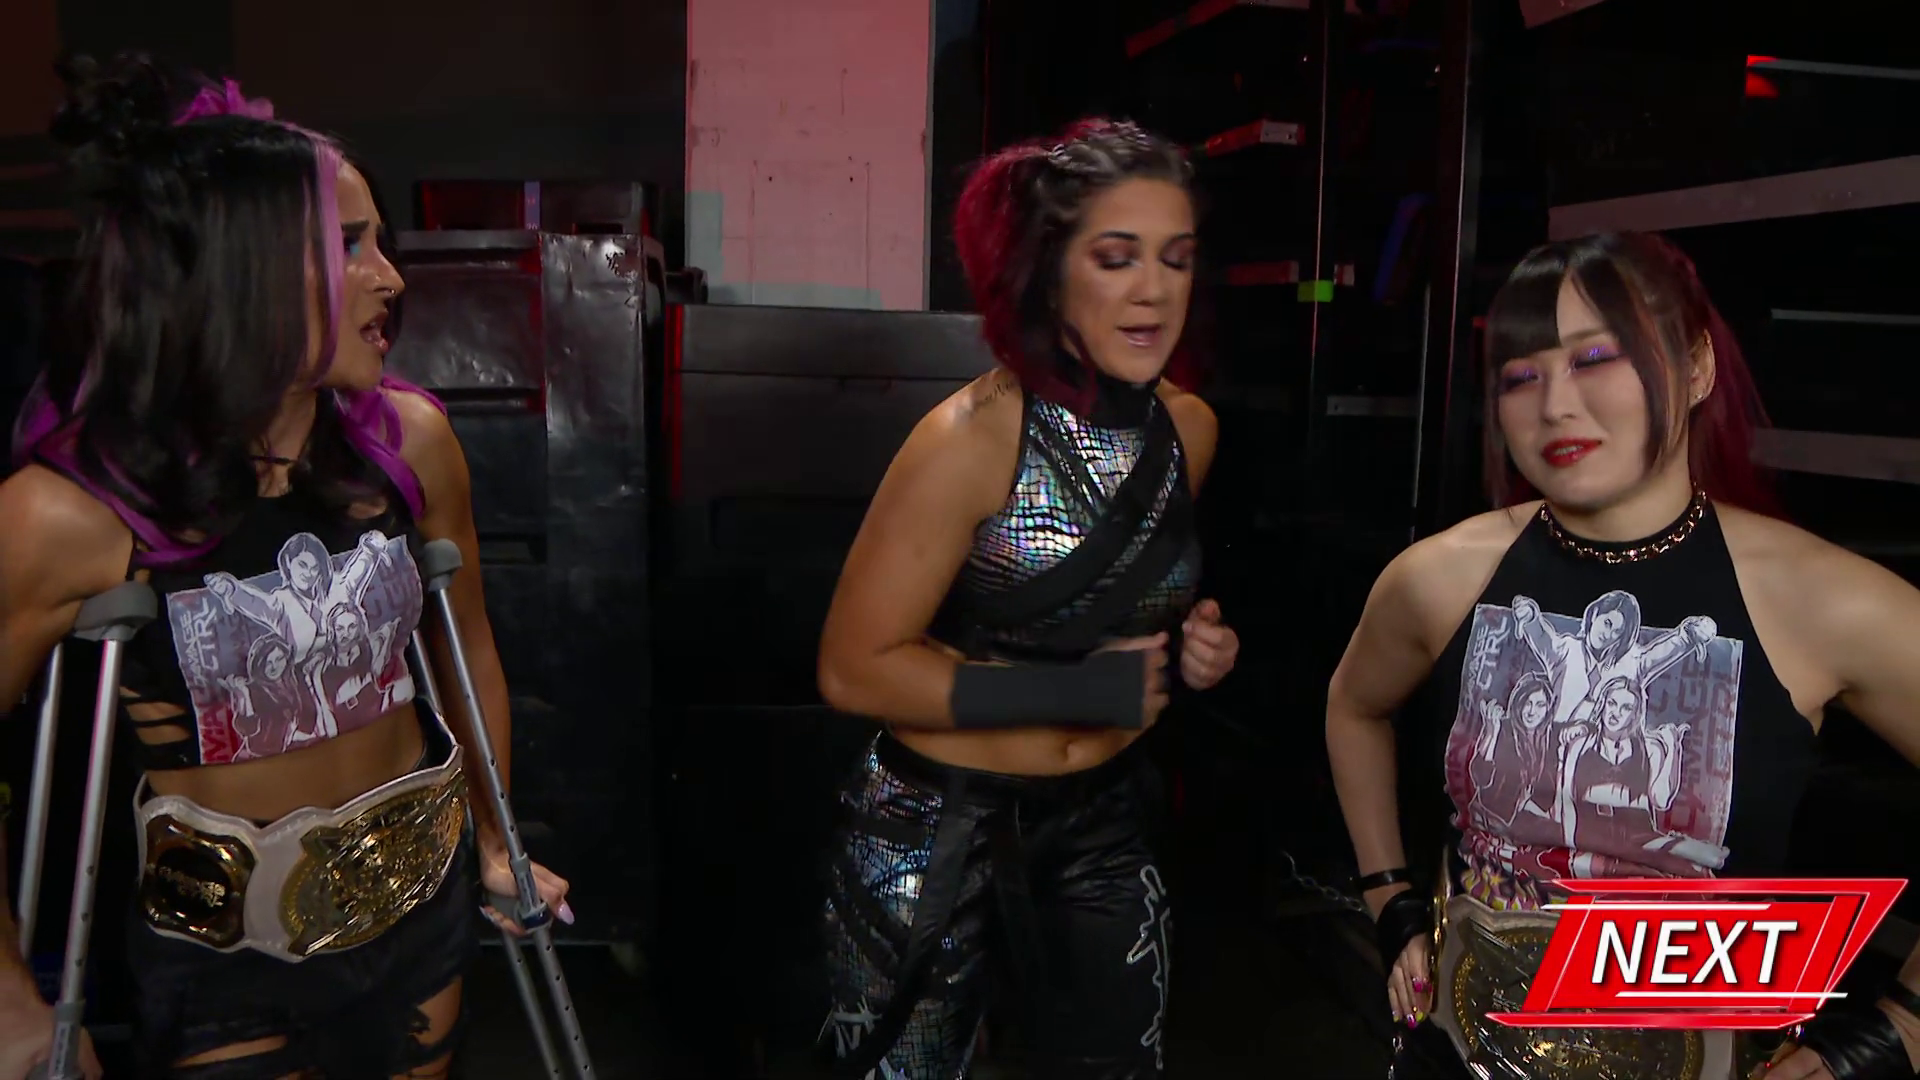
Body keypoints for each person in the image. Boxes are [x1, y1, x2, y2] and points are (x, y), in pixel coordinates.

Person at [0, 54, 570, 1080]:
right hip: (224, 954)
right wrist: (7, 996)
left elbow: (469, 653)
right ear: (238, 269)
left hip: (418, 904)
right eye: (348, 245)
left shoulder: (411, 444)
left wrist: (495, 838)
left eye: (379, 242)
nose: (390, 277)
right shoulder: (70, 511)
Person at [1325, 230, 1920, 1080]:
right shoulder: (1439, 577)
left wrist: (1895, 1031)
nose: (1555, 405)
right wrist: (1389, 896)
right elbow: (1354, 706)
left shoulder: (1820, 599)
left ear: (1696, 367)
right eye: (1521, 375)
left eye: (1596, 358)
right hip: (1455, 1050)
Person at [813, 118, 1241, 1078]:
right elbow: (852, 668)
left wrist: (1196, 644)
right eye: (1117, 258)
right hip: (933, 826)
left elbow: (1119, 605)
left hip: (1102, 825)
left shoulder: (1191, 432)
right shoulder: (969, 439)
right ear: (1050, 274)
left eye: (1175, 259)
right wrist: (1069, 694)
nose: (1154, 289)